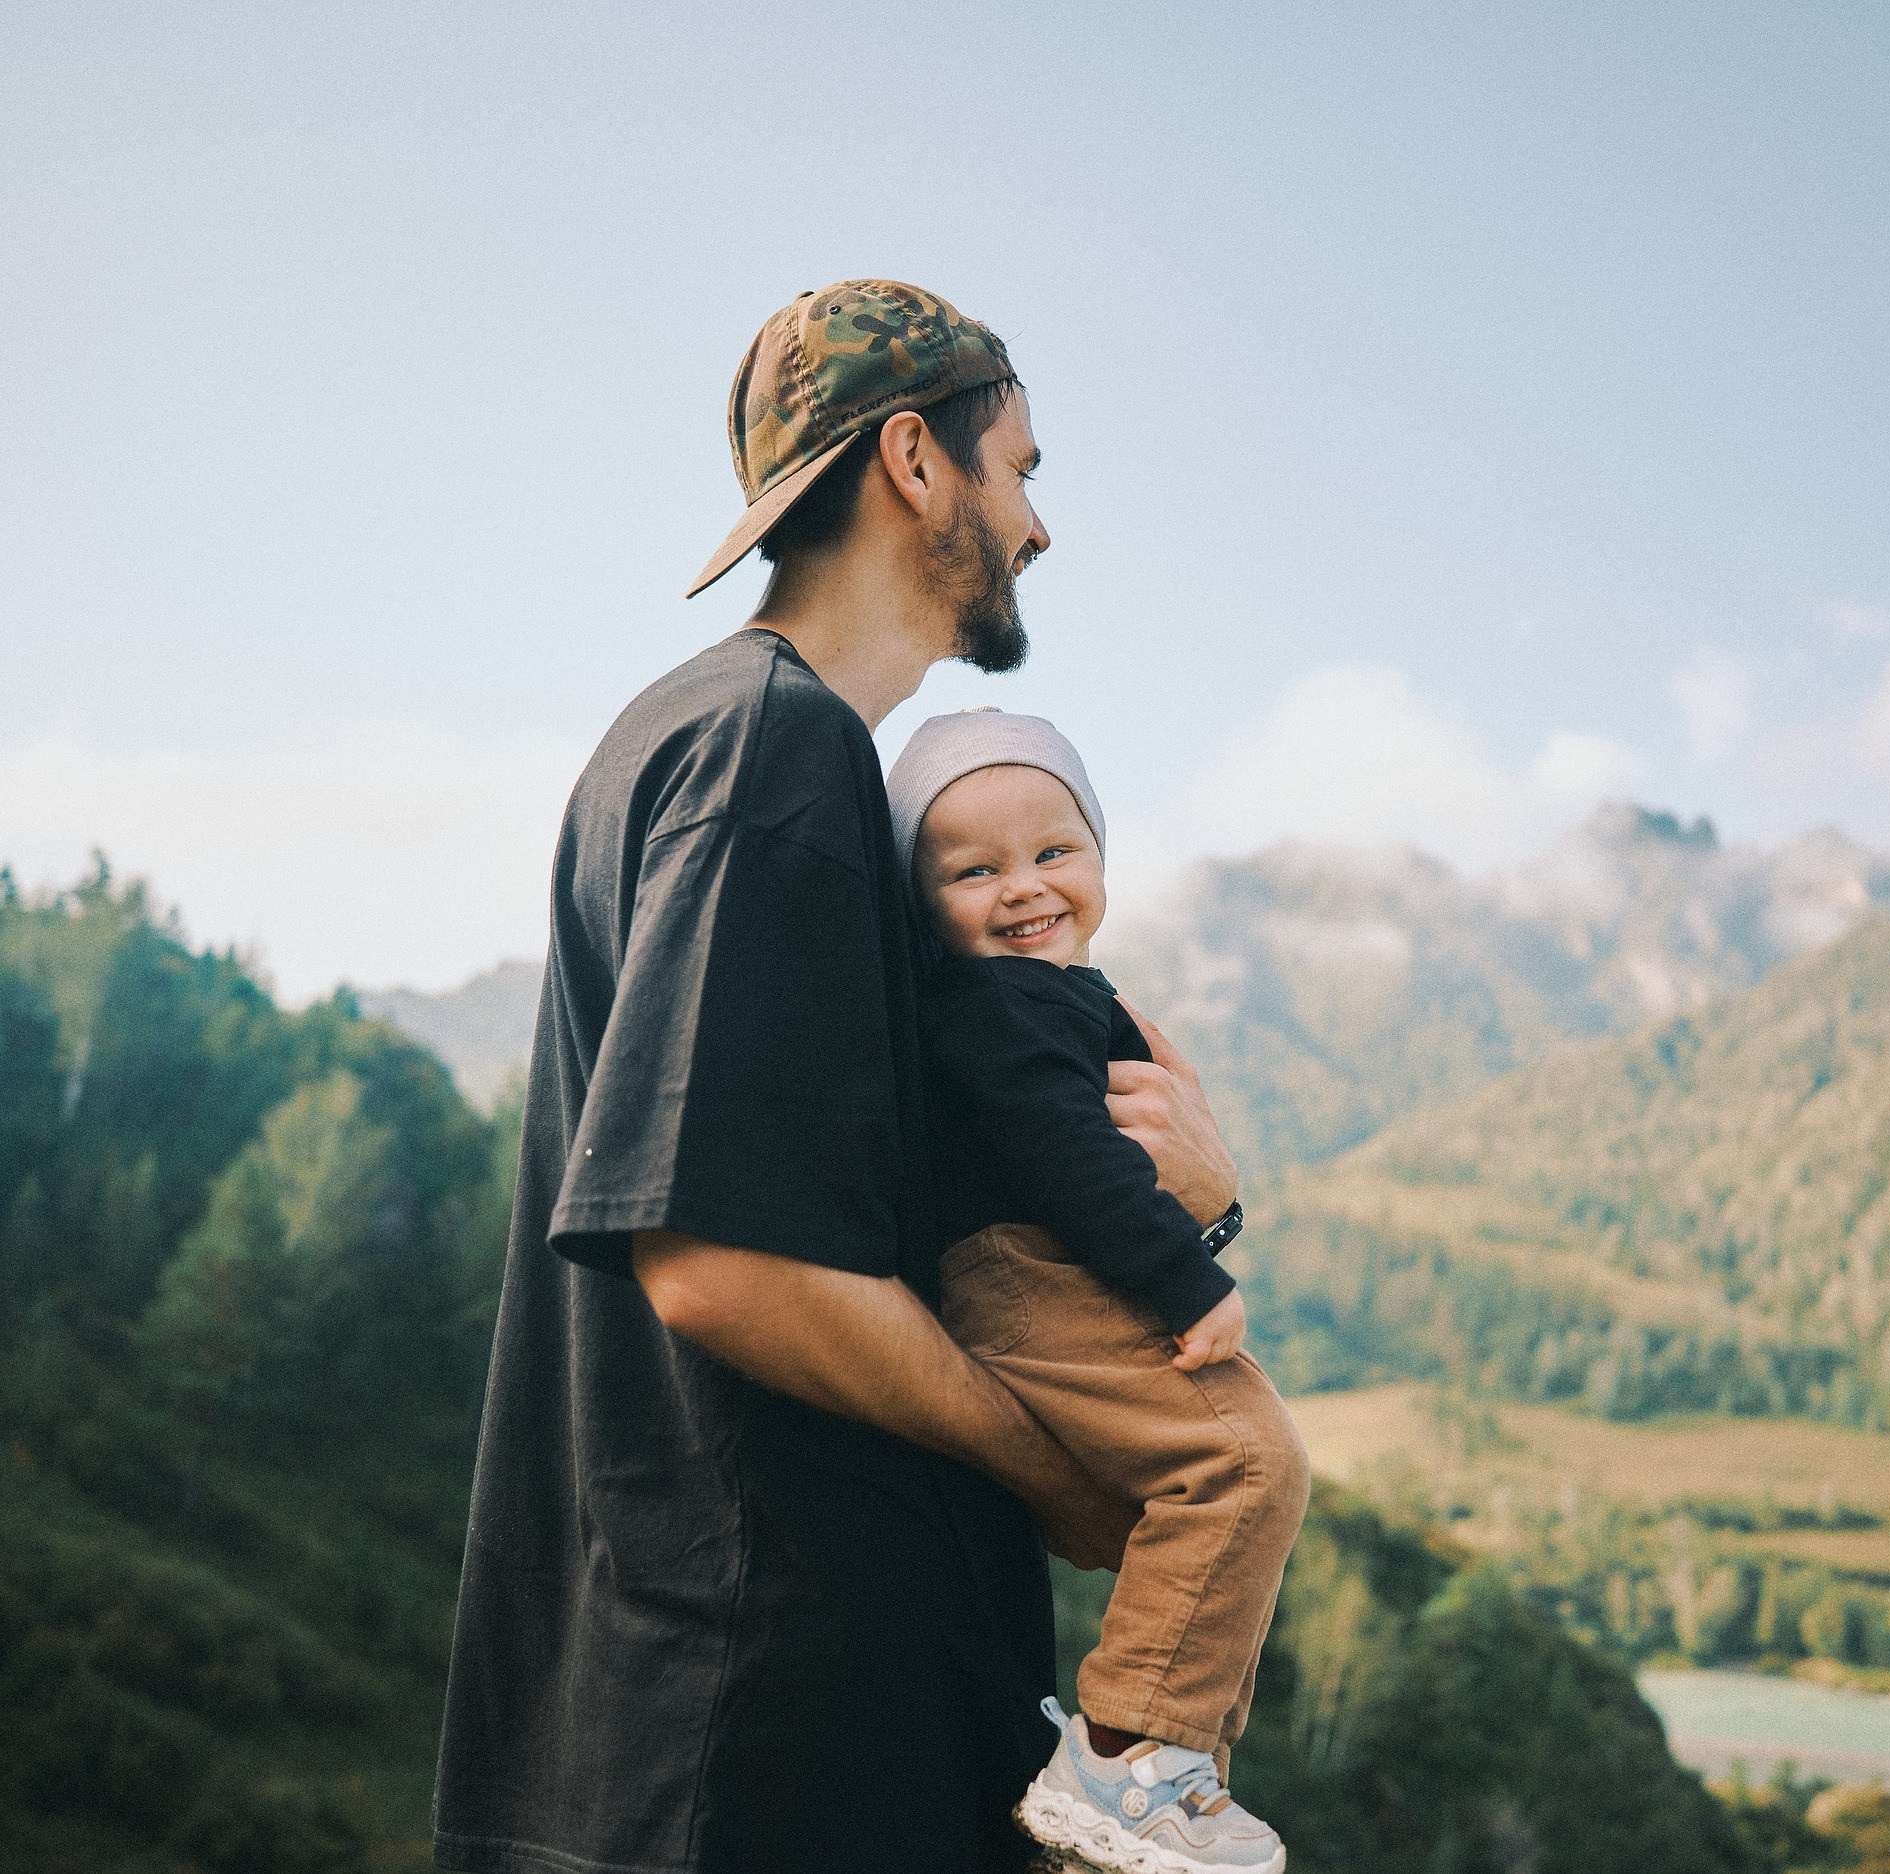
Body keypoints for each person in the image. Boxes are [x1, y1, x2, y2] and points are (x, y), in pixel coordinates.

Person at [433, 280, 1240, 1874]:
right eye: (1018, 466)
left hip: (680, 1726)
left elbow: (886, 1198)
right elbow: (726, 1260)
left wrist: (1179, 1177)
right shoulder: (773, 755)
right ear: (915, 463)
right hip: (768, 1747)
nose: (1038, 522)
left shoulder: (688, 743)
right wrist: (1047, 1453)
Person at [889, 709, 1309, 1874]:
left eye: (1053, 852)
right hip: (1026, 1274)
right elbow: (1067, 1156)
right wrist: (1186, 1273)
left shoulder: (1058, 996)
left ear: (1100, 856)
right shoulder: (999, 1006)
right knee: (1239, 1463)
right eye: (973, 869)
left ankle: (1165, 1781)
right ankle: (1124, 1768)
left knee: (1234, 1475)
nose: (1023, 887)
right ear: (921, 901)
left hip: (1051, 1271)